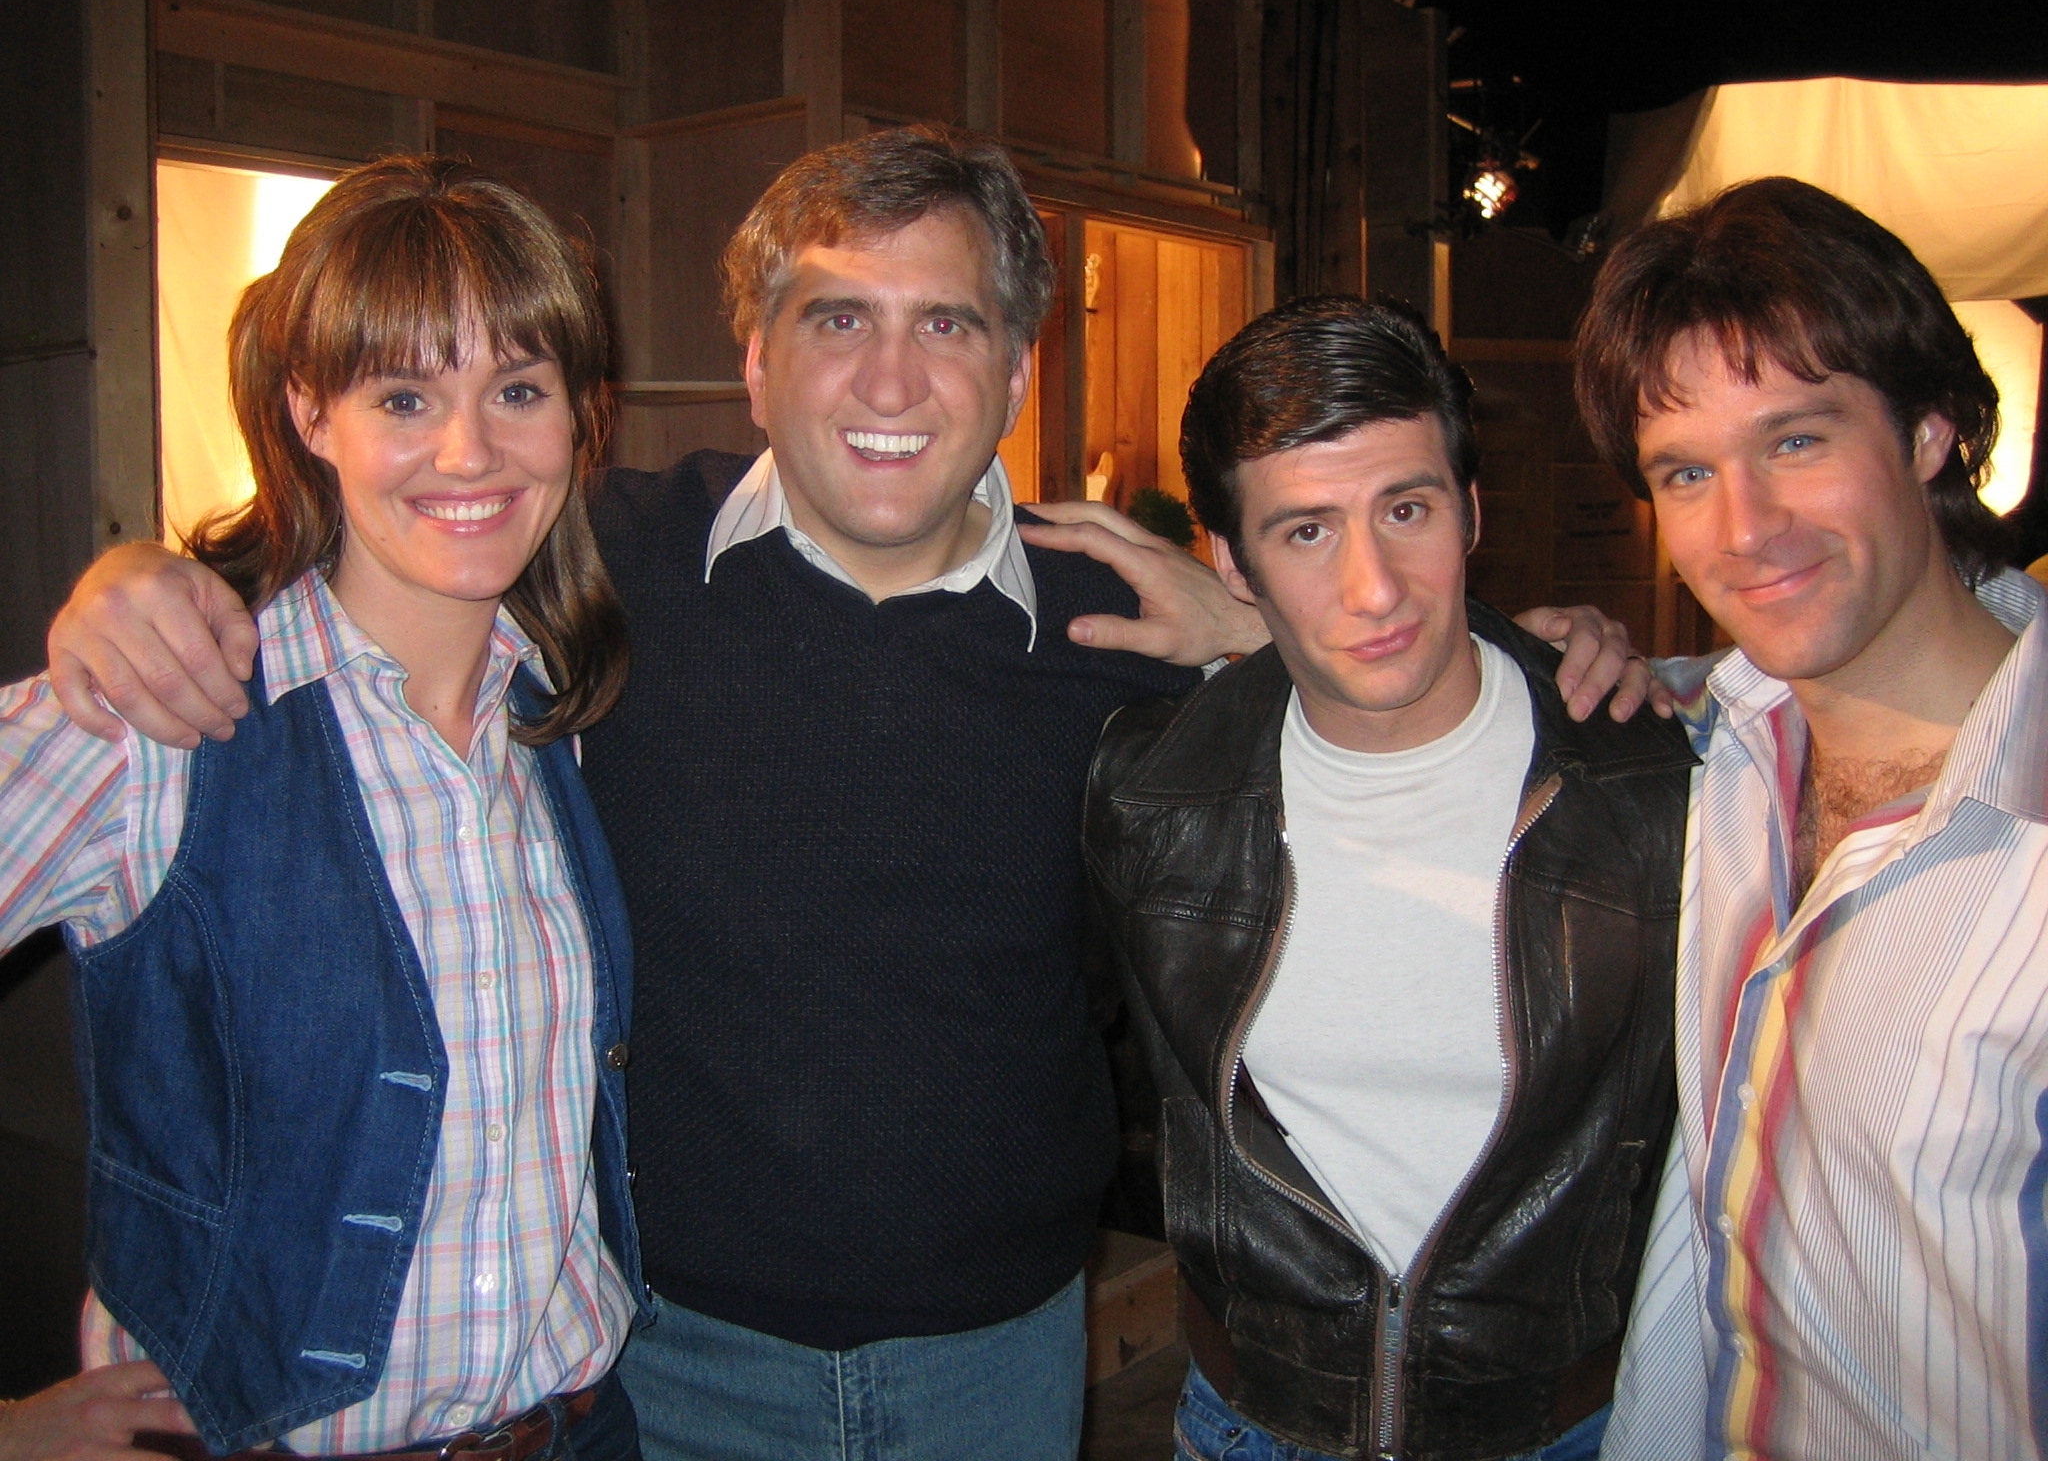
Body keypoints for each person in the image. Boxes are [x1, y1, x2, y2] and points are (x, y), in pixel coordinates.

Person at [39, 127, 1654, 1461]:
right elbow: (399, 534)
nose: (890, 376)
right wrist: (147, 582)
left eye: (945, 323)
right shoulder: (605, 570)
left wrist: (1517, 650)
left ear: (1014, 365)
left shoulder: (1117, 620)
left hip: (998, 1360)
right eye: (834, 319)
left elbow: (1386, 640)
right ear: (755, 361)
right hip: (663, 1361)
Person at [0, 155, 645, 1461]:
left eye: (517, 390)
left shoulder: (559, 728)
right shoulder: (157, 720)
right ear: (309, 411)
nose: (469, 450)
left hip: (578, 1434)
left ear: (579, 417)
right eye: (404, 396)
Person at [1081, 296, 1692, 1461]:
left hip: (1561, 1430)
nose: (1373, 587)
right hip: (1254, 1423)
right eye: (1305, 531)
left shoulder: (1650, 785)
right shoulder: (1148, 797)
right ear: (1232, 562)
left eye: (1404, 510)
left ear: (1470, 510)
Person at [1573, 177, 2048, 1461]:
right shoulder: (1718, 739)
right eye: (1685, 471)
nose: (1745, 530)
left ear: (1929, 432)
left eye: (1794, 442)